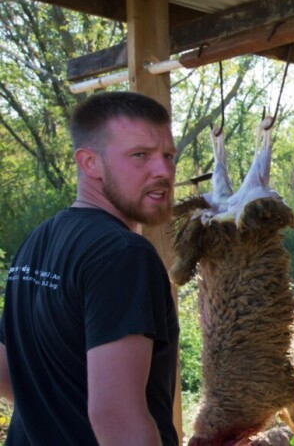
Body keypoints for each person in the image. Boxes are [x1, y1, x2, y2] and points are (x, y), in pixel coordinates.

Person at [0, 91, 181, 445]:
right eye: (139, 155)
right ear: (89, 163)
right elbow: (116, 417)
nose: (163, 171)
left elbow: (7, 372)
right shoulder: (123, 253)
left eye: (168, 155)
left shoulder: (37, 240)